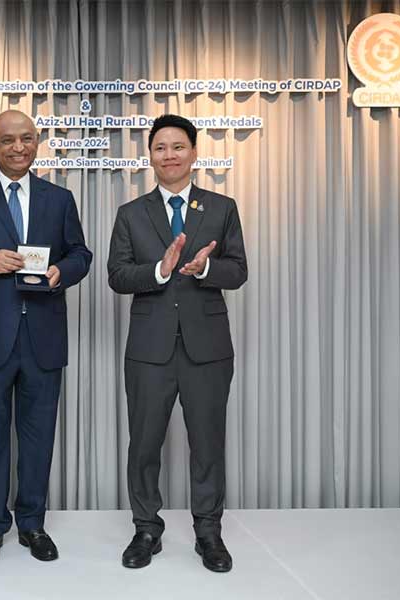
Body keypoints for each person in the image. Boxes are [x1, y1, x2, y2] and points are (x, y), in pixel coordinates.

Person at [0, 109, 92, 564]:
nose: (18, 147)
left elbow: (80, 254)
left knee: (38, 435)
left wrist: (59, 272)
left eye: (27, 138)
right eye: (7, 140)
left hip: (43, 337)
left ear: (38, 140)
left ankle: (32, 523)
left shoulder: (59, 199)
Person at [107, 114, 247, 573]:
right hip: (149, 350)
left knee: (208, 443)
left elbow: (238, 270)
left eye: (178, 146)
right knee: (144, 443)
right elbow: (117, 276)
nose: (169, 155)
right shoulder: (130, 213)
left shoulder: (222, 208)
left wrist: (204, 269)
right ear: (150, 156)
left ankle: (209, 532)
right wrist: (161, 271)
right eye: (160, 147)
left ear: (193, 152)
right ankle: (146, 528)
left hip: (207, 349)